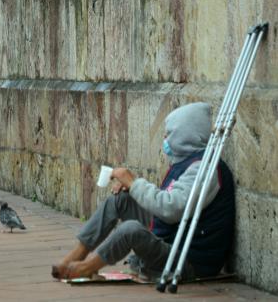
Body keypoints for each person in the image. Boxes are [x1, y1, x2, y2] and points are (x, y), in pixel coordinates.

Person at [51, 102, 235, 281]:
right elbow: (167, 204)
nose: (165, 137)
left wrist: (134, 183)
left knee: (130, 230)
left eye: (170, 133)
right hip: (173, 237)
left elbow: (171, 208)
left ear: (186, 136)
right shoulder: (188, 162)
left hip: (190, 261)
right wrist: (132, 189)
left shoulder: (206, 170)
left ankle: (87, 268)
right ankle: (77, 255)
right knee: (121, 200)